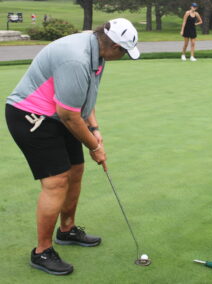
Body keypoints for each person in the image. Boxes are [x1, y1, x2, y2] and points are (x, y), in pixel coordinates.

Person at [5, 18, 140, 276]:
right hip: (30, 115)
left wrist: (95, 129)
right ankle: (41, 251)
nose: (123, 56)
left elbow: (84, 98)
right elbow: (68, 114)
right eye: (123, 51)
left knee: (75, 171)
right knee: (56, 181)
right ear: (112, 44)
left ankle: (66, 231)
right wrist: (94, 147)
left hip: (58, 115)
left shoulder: (97, 51)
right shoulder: (77, 57)